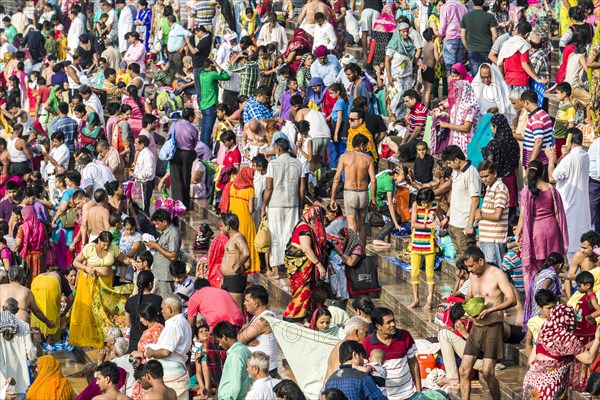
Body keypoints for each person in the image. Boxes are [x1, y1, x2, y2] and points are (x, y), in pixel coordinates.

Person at [458, 246, 517, 400]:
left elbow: (512, 299)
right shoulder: (472, 275)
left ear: (481, 261)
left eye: (471, 266)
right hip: (476, 327)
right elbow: (469, 295)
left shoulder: (497, 274)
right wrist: (468, 308)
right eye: (468, 267)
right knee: (464, 370)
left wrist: (490, 310)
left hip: (493, 327)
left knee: (487, 372)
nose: (469, 270)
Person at [70, 231, 133, 348]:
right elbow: (76, 262)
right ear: (98, 240)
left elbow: (122, 258)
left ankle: (103, 338)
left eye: (108, 245)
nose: (106, 247)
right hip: (89, 283)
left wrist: (130, 261)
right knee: (90, 309)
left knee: (104, 309)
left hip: (106, 283)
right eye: (104, 244)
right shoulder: (90, 248)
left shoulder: (113, 248)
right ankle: (88, 339)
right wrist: (86, 268)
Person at [523, 304, 600, 399]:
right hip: (549, 385)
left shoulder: (544, 332)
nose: (576, 321)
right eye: (574, 318)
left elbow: (531, 361)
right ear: (568, 320)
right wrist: (597, 340)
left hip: (530, 382)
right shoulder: (566, 338)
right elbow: (589, 358)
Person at [515, 159, 569, 288]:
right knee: (552, 264)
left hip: (535, 232)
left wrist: (517, 234)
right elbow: (559, 212)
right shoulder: (551, 189)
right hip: (552, 230)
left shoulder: (527, 192)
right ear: (543, 171)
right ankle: (551, 292)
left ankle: (536, 295)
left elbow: (522, 217)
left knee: (535, 268)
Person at [547, 128, 591, 261]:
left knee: (571, 254)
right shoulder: (585, 155)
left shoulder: (571, 158)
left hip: (569, 209)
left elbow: (552, 178)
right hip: (581, 211)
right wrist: (562, 156)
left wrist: (550, 159)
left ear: (569, 140)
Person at [261, 138, 303, 271]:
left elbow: (269, 188)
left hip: (275, 204)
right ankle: (290, 266)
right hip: (293, 203)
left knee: (275, 235)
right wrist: (301, 206)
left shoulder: (273, 164)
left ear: (278, 149)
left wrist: (263, 207)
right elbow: (302, 189)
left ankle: (276, 270)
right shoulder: (298, 163)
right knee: (290, 234)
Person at [282, 205, 328, 323]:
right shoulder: (305, 229)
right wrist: (319, 266)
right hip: (299, 266)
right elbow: (306, 249)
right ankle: (293, 317)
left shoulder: (305, 224)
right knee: (302, 292)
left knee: (307, 292)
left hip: (301, 265)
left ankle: (304, 317)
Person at [362, 307, 421, 399]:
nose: (393, 324)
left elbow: (413, 363)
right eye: (388, 322)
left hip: (408, 393)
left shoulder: (405, 336)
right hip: (383, 396)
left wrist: (419, 391)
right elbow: (364, 372)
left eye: (393, 320)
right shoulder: (366, 343)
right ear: (378, 326)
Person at [330, 134, 377, 245]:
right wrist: (373, 198)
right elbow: (373, 180)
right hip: (363, 193)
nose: (367, 148)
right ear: (361, 145)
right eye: (366, 146)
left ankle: (352, 251)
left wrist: (333, 198)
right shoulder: (368, 159)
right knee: (362, 225)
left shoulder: (344, 157)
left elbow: (336, 178)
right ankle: (362, 251)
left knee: (351, 225)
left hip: (349, 194)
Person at [144, 294, 192, 400]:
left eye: (162, 308)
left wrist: (151, 353)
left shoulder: (174, 325)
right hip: (178, 370)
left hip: (172, 373)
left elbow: (166, 352)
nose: (161, 311)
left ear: (170, 309)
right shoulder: (184, 323)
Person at [440, 145, 481, 259]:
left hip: (463, 226)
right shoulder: (456, 171)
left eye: (450, 163)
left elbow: (475, 199)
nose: (449, 166)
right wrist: (447, 217)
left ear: (457, 160)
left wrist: (469, 225)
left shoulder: (471, 173)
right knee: (459, 259)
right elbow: (455, 196)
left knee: (466, 259)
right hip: (453, 223)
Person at [220, 167, 259, 274]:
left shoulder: (231, 186)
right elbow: (251, 210)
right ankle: (248, 267)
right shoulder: (250, 189)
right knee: (246, 244)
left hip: (232, 220)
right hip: (245, 220)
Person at [408, 188, 440, 310]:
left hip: (429, 243)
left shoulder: (436, 206)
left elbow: (441, 219)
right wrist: (428, 225)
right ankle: (416, 298)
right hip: (416, 242)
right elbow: (413, 224)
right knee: (414, 272)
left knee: (430, 273)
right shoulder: (416, 205)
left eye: (427, 202)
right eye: (423, 202)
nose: (425, 204)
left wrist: (442, 222)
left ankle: (430, 299)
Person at [475, 160, 510, 268]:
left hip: (494, 239)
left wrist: (481, 215)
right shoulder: (490, 187)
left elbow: (497, 215)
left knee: (493, 272)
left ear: (494, 173)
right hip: (487, 239)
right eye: (482, 177)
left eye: (486, 176)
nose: (483, 180)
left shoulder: (500, 189)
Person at [0, 298, 37, 399]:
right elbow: (30, 350)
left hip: (1, 375)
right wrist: (33, 364)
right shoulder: (24, 325)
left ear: (3, 308)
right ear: (17, 311)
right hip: (19, 375)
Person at [238, 285, 278, 377]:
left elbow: (238, 340)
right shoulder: (258, 317)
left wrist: (245, 340)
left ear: (256, 303)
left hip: (264, 371)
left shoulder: (264, 320)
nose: (244, 303)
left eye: (247, 300)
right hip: (257, 370)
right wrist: (246, 341)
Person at [218, 213, 250, 312]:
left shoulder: (238, 237)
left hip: (235, 279)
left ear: (228, 226)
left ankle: (242, 328)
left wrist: (237, 266)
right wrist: (223, 278)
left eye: (222, 226)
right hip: (228, 279)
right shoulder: (231, 239)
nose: (221, 228)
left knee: (237, 310)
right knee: (228, 310)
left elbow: (246, 253)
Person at [147, 209, 182, 296]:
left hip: (166, 275)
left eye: (157, 224)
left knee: (167, 300)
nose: (156, 226)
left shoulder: (173, 233)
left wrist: (156, 246)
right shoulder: (165, 231)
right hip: (160, 273)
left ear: (165, 222)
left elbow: (173, 256)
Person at [213, 321, 252, 399]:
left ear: (224, 337)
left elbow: (235, 386)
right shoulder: (245, 350)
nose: (219, 344)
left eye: (219, 341)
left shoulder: (234, 355)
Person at [460, 0, 498, 76]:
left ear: (473, 3)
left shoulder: (466, 16)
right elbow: (495, 36)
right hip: (486, 49)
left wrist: (468, 48)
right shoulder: (489, 17)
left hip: (472, 50)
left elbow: (462, 36)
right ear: (483, 3)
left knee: (475, 77)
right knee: (486, 76)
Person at [439, 0, 467, 75]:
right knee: (458, 70)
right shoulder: (462, 6)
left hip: (450, 39)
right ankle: (458, 86)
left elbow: (442, 27)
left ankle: (451, 86)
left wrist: (440, 39)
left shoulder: (445, 6)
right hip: (461, 39)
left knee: (450, 69)